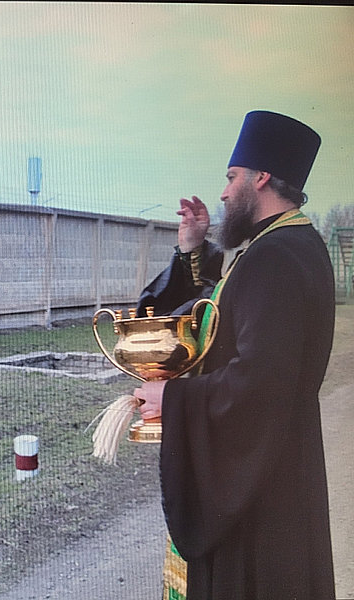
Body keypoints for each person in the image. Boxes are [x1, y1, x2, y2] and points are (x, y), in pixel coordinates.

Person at [133, 111, 336, 599]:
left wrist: (173, 398)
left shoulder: (276, 257)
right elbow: (220, 315)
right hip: (277, 461)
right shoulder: (287, 244)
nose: (223, 193)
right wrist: (193, 249)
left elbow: (261, 380)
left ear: (260, 177)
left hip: (261, 482)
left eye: (230, 178)